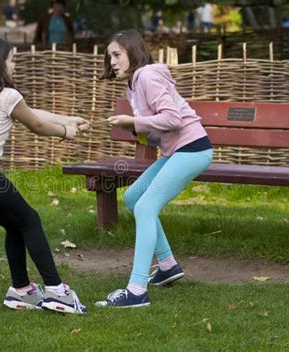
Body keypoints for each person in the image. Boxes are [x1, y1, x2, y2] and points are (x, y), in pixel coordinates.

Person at [0, 37, 90, 314]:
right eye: (12, 59)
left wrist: (67, 118)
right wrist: (65, 133)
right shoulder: (8, 96)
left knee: (15, 223)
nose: (14, 64)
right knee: (30, 220)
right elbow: (35, 124)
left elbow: (31, 112)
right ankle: (57, 291)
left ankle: (21, 291)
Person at [96, 30, 213, 308]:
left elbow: (172, 118)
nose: (112, 61)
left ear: (133, 52)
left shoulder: (147, 75)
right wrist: (132, 127)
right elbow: (155, 129)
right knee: (133, 197)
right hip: (176, 151)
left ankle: (136, 290)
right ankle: (168, 265)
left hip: (192, 149)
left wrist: (135, 122)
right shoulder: (133, 85)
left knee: (146, 207)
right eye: (109, 56)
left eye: (117, 55)